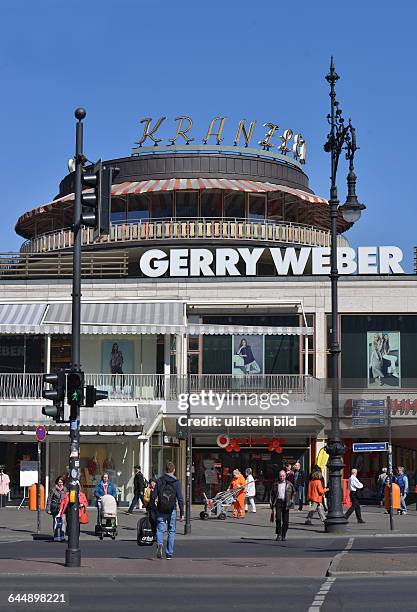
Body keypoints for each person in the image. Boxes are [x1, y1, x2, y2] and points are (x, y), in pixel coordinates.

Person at [151, 461, 184, 560]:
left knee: (160, 529)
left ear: (165, 470)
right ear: (174, 470)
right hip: (172, 509)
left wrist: (154, 509)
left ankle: (160, 544)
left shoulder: (160, 480)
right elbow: (180, 499)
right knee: (171, 531)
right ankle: (169, 553)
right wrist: (182, 513)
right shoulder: (176, 482)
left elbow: (153, 496)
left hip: (161, 509)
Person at [270, 469, 295, 541]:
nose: (282, 477)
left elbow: (294, 493)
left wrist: (291, 501)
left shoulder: (289, 484)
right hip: (278, 502)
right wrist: (271, 504)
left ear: (285, 476)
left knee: (286, 521)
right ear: (279, 476)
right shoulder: (275, 484)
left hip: (286, 503)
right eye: (280, 476)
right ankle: (279, 534)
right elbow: (272, 494)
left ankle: (283, 535)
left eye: (283, 476)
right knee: (278, 519)